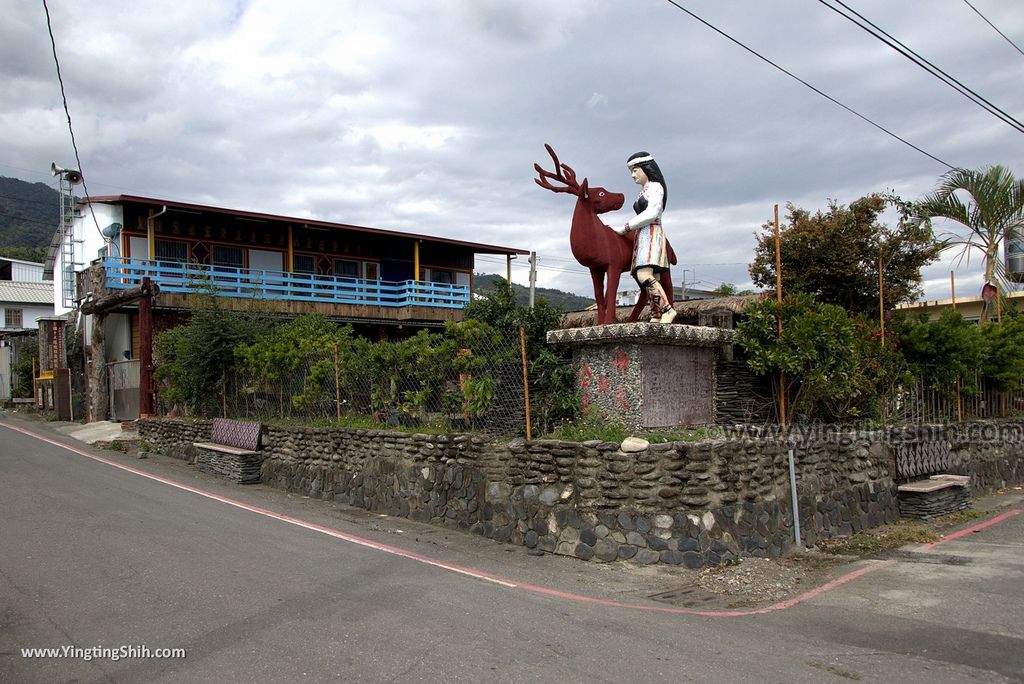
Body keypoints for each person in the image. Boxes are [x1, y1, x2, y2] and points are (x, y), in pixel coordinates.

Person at [614, 151, 676, 323]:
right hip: (642, 236)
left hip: (652, 234)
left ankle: (667, 309)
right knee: (652, 278)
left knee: (644, 275)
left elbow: (652, 213)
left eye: (635, 170)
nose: (633, 175)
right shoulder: (644, 190)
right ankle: (656, 314)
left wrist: (626, 227)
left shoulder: (656, 188)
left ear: (646, 168)